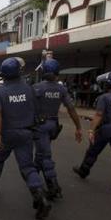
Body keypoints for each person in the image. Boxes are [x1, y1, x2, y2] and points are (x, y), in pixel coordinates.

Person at [0, 57, 51, 220]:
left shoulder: (1, 90)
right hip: (26, 133)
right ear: (19, 72)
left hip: (7, 133)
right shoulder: (30, 89)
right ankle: (40, 195)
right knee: (27, 167)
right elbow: (38, 110)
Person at [73, 71, 111, 199]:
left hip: (106, 128)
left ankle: (83, 171)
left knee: (93, 151)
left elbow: (99, 115)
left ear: (110, 84)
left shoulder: (104, 98)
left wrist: (91, 130)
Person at [33, 59, 82, 199]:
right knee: (42, 152)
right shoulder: (61, 89)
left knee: (45, 155)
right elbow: (71, 109)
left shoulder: (36, 87)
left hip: (39, 126)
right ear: (57, 73)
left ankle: (53, 186)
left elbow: (28, 108)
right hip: (53, 125)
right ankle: (33, 176)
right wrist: (78, 127)